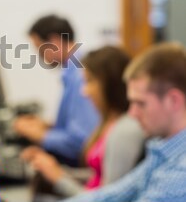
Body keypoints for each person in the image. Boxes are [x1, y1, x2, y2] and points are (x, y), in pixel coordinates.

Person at [63, 42, 186, 202]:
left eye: (141, 103)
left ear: (173, 100)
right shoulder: (163, 151)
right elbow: (111, 194)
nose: (132, 113)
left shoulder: (180, 172)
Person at [22, 46, 145, 198]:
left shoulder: (124, 131)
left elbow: (108, 199)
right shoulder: (110, 123)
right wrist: (57, 170)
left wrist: (59, 179)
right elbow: (98, 178)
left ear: (110, 84)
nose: (84, 91)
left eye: (90, 81)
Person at [14, 15, 99, 166]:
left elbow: (81, 141)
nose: (40, 56)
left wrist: (40, 135)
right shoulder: (74, 71)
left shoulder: (80, 76)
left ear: (54, 41)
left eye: (40, 49)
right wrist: (48, 126)